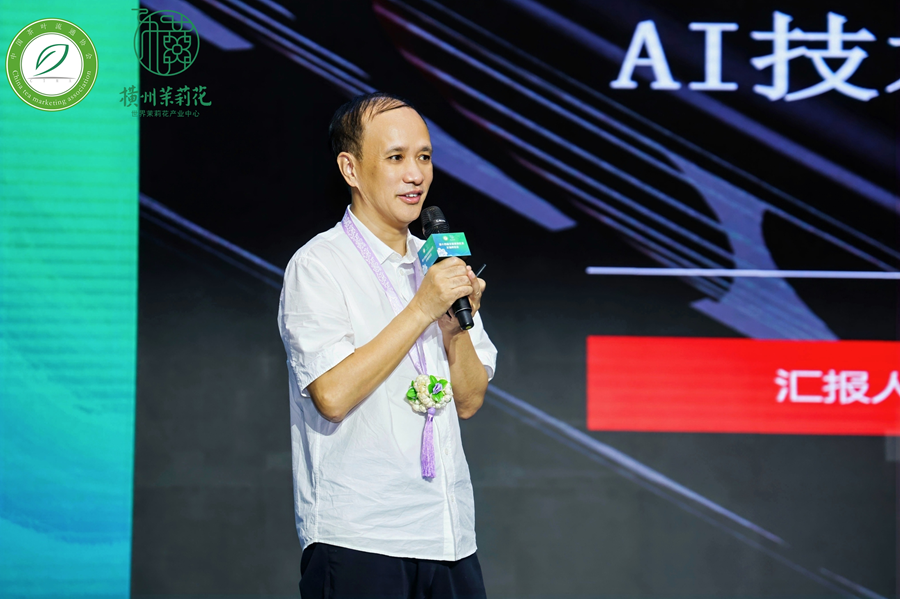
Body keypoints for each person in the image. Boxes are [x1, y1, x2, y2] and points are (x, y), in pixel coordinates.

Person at [277, 92, 497, 599]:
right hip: (361, 538)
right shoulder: (319, 265)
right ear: (350, 169)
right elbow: (332, 396)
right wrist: (421, 308)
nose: (415, 175)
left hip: (448, 534)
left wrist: (453, 331)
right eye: (396, 157)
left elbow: (469, 400)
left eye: (424, 157)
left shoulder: (440, 265)